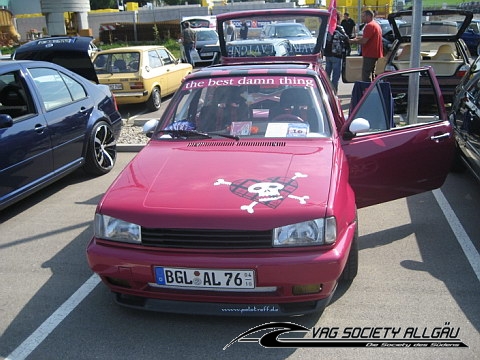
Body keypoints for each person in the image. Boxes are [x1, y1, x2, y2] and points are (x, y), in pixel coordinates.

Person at [349, 10, 383, 82]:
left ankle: (367, 90)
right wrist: (357, 38)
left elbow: (364, 41)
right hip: (375, 53)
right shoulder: (376, 25)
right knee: (372, 73)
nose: (362, 18)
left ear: (368, 16)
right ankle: (373, 89)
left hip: (370, 54)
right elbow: (367, 38)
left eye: (363, 16)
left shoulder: (369, 26)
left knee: (366, 75)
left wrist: (352, 41)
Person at [323, 11, 349, 93]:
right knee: (335, 76)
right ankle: (334, 93)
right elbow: (346, 39)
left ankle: (325, 92)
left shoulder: (326, 28)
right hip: (337, 55)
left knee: (327, 75)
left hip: (327, 54)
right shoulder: (339, 28)